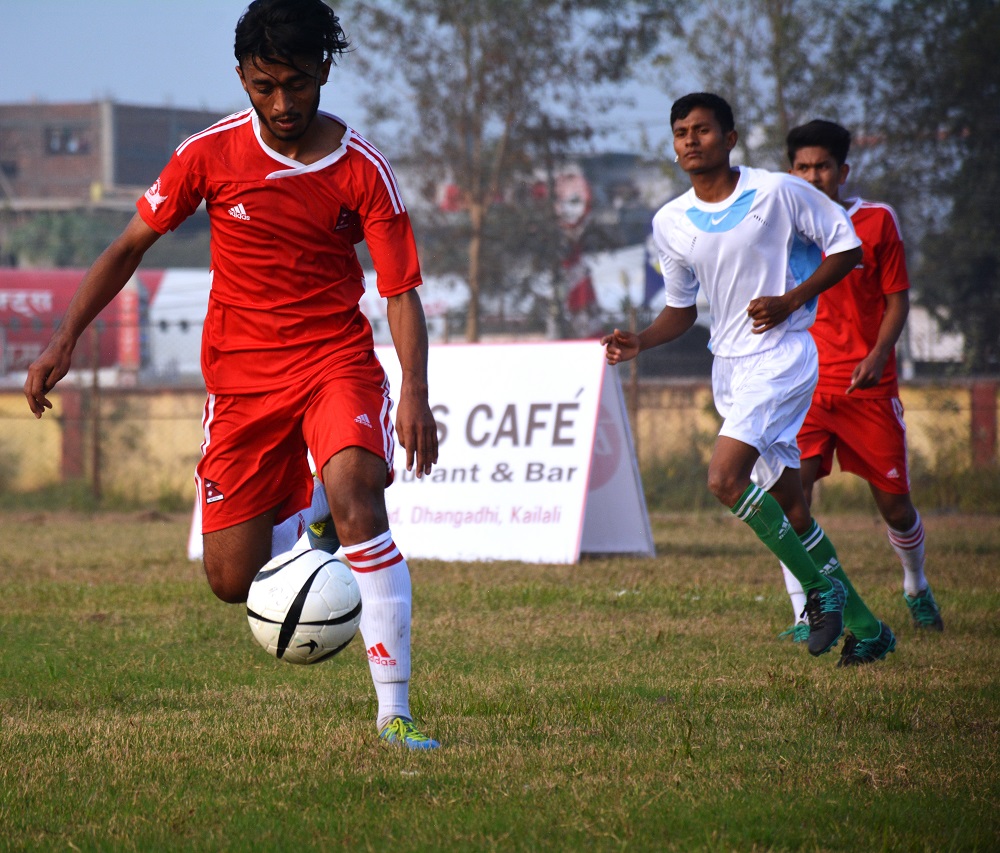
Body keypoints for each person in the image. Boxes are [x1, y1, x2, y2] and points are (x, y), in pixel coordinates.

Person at [23, 0, 440, 748]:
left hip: (334, 362)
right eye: (265, 85)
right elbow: (128, 247)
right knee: (229, 579)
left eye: (299, 83)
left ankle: (396, 714)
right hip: (241, 383)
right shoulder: (208, 154)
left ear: (324, 72)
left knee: (360, 497)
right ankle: (310, 518)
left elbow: (400, 291)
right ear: (244, 76)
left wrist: (415, 390)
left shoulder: (363, 169)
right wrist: (64, 340)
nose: (283, 104)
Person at [603, 92, 896, 666]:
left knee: (724, 478)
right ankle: (869, 630)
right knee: (792, 507)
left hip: (783, 356)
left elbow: (847, 248)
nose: (691, 140)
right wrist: (642, 340)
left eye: (703, 129)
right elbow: (681, 309)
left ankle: (821, 591)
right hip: (729, 367)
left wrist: (792, 300)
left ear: (730, 138)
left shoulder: (778, 191)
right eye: (681, 132)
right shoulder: (670, 222)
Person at [776, 119, 942, 641]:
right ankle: (805, 613)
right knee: (790, 497)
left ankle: (915, 585)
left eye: (823, 166)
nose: (813, 176)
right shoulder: (780, 226)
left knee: (895, 506)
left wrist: (878, 354)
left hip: (867, 387)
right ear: (791, 171)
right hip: (804, 387)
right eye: (802, 167)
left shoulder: (875, 221)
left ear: (843, 171)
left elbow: (897, 300)